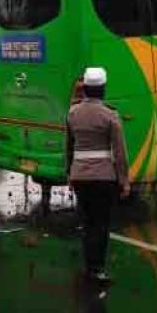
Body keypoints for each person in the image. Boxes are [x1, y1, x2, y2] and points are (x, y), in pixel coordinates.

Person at [65, 67, 130, 284]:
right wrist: (124, 180)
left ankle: (88, 267)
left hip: (79, 177)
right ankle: (98, 269)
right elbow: (120, 152)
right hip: (103, 177)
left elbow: (69, 147)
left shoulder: (72, 113)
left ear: (85, 89)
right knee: (101, 225)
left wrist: (69, 174)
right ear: (102, 89)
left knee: (87, 222)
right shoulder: (110, 115)